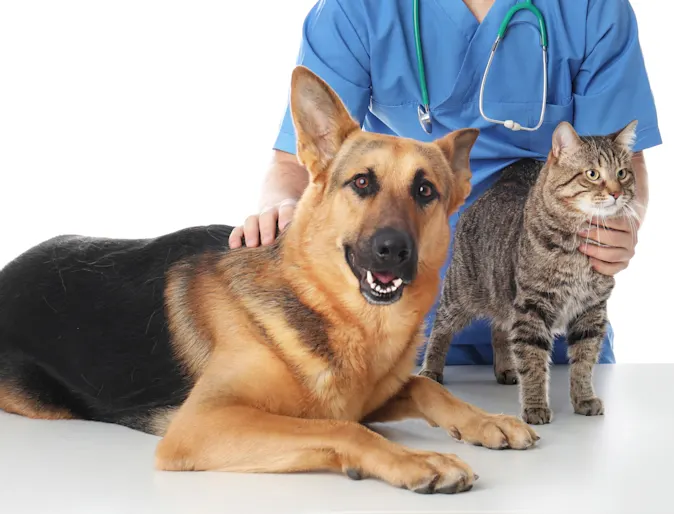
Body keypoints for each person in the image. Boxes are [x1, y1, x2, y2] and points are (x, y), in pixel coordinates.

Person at [229, 0, 661, 365]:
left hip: (551, 319)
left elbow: (624, 159)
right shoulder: (358, 10)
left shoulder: (591, 9)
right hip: (392, 321)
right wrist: (281, 206)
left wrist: (627, 225)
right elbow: (296, 161)